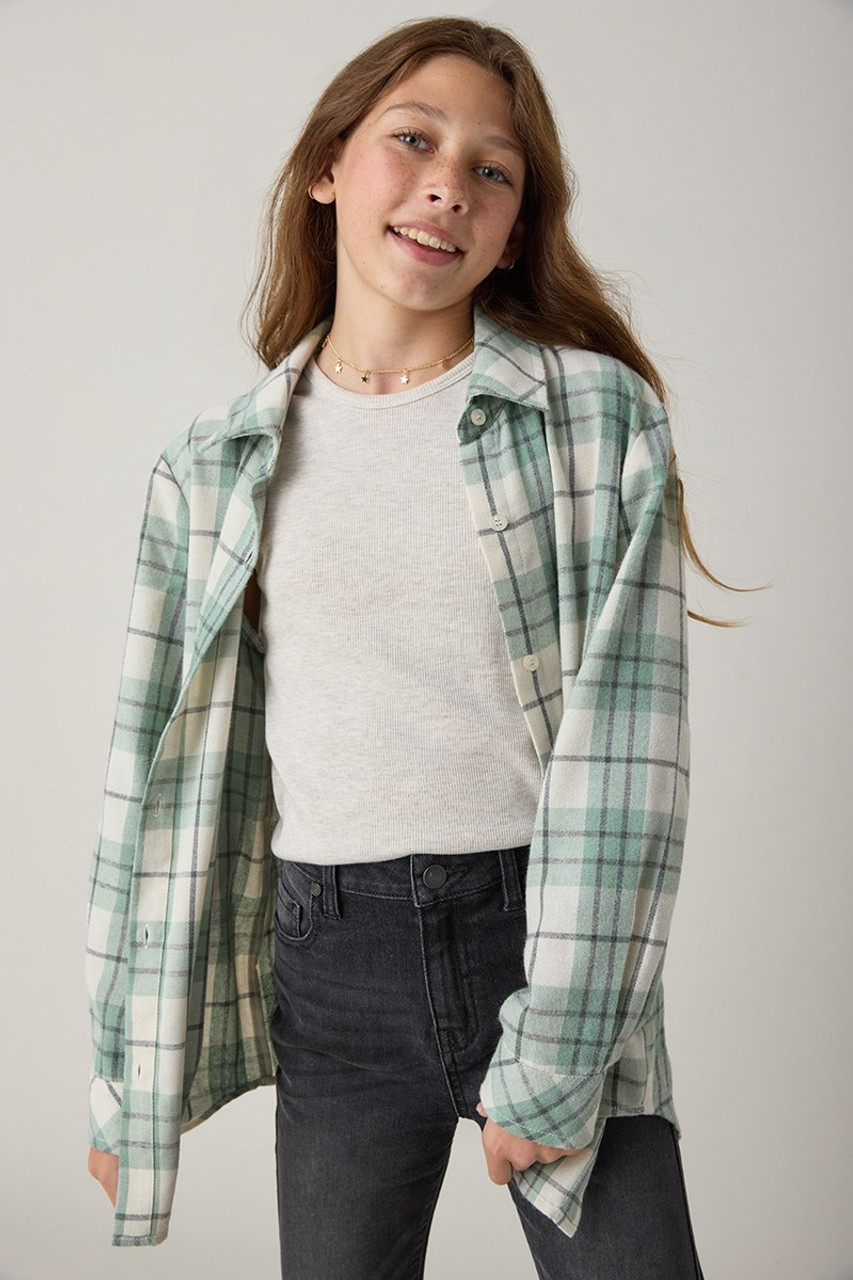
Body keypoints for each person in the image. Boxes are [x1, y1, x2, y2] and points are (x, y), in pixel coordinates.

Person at [85, 16, 741, 1277]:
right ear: (327, 165)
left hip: (544, 936)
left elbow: (630, 756)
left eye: (493, 169)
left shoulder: (590, 421)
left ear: (515, 227)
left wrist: (557, 1047)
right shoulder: (211, 466)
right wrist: (125, 1071)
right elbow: (150, 782)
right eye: (414, 140)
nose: (449, 184)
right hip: (328, 962)